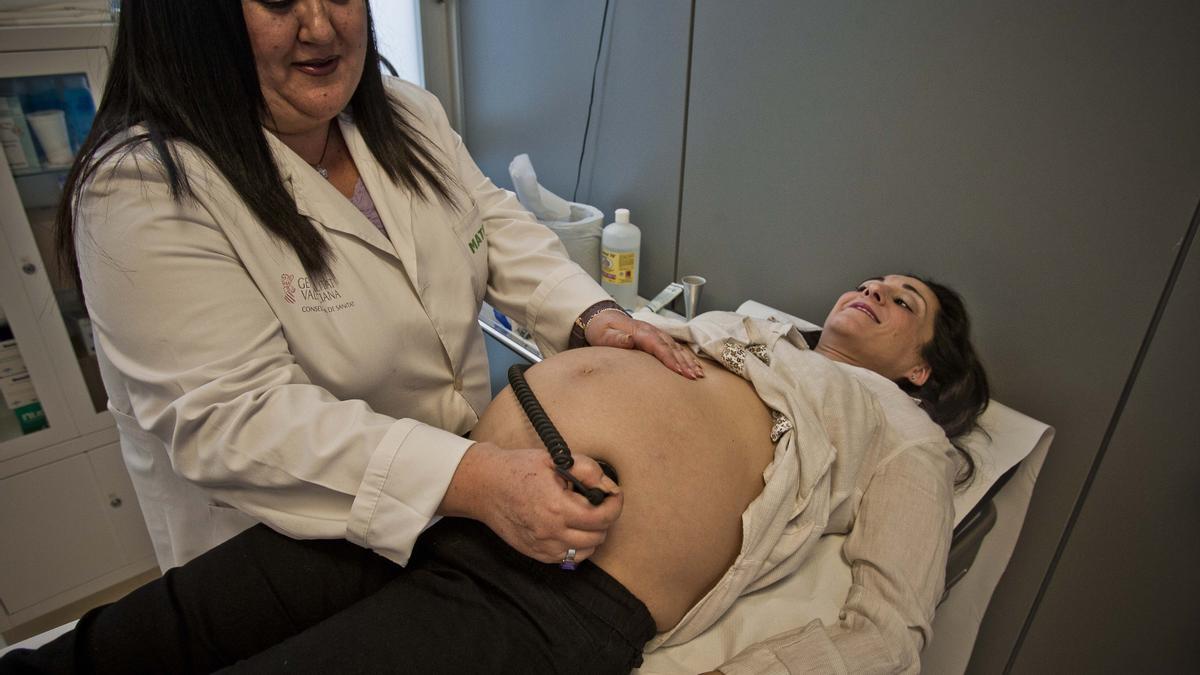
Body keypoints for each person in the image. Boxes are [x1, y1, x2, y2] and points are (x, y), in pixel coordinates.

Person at [1, 275, 990, 674]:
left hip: (554, 585)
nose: (873, 289)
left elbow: (888, 630)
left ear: (922, 367)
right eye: (874, 277)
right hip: (440, 489)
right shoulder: (750, 328)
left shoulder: (902, 430)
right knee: (160, 628)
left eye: (903, 300)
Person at [57, 0, 702, 573]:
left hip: (457, 514)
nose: (321, 25)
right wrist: (475, 479)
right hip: (286, 549)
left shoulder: (403, 113)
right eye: (278, 1)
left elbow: (493, 223)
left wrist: (592, 313)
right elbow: (236, 418)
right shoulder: (143, 188)